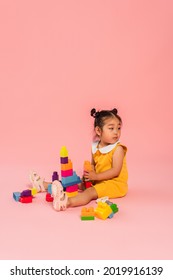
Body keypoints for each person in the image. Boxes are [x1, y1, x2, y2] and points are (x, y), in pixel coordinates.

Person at [30, 108, 128, 211]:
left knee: (89, 192)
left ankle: (66, 202)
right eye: (111, 128)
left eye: (119, 128)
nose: (116, 132)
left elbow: (115, 171)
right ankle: (43, 185)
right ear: (98, 130)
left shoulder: (118, 149)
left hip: (115, 183)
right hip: (99, 179)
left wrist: (96, 176)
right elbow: (93, 165)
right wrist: (89, 176)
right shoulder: (95, 147)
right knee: (73, 183)